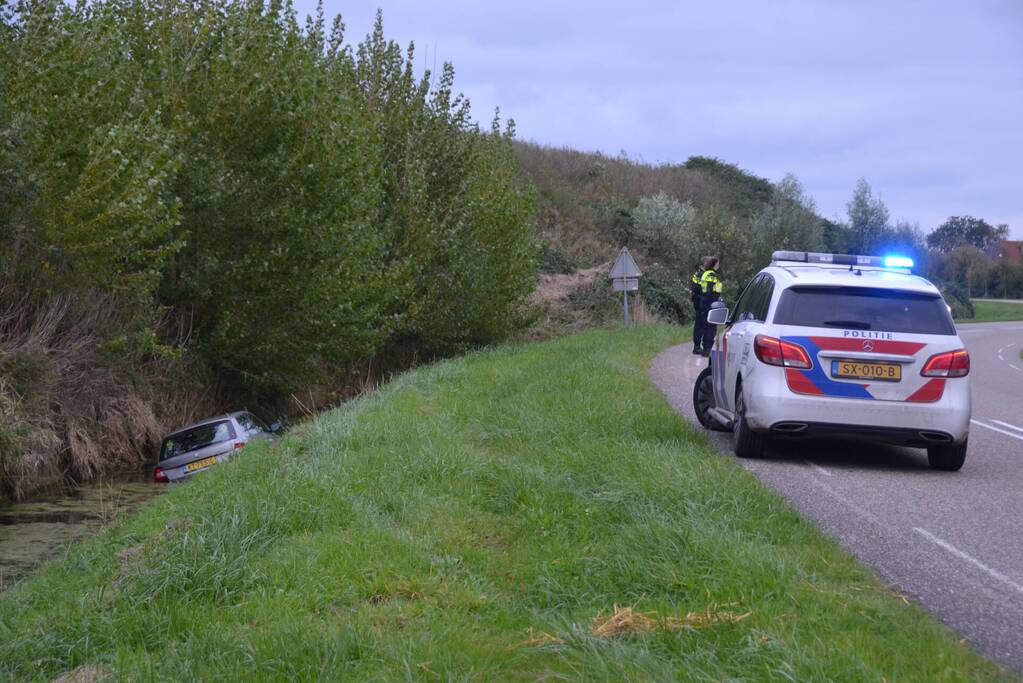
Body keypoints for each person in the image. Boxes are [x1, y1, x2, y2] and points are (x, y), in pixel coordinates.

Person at [696, 257, 723, 357]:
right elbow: (712, 290)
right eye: (718, 264)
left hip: (704, 302)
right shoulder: (712, 275)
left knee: (706, 326)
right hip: (710, 303)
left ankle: (706, 349)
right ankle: (708, 350)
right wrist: (716, 299)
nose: (719, 266)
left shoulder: (706, 273)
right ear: (714, 264)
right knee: (711, 327)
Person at [690, 257, 710, 354]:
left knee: (703, 323)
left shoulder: (704, 274)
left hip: (703, 301)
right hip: (699, 301)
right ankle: (697, 347)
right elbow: (697, 287)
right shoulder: (699, 275)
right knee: (700, 324)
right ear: (702, 265)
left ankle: (701, 346)